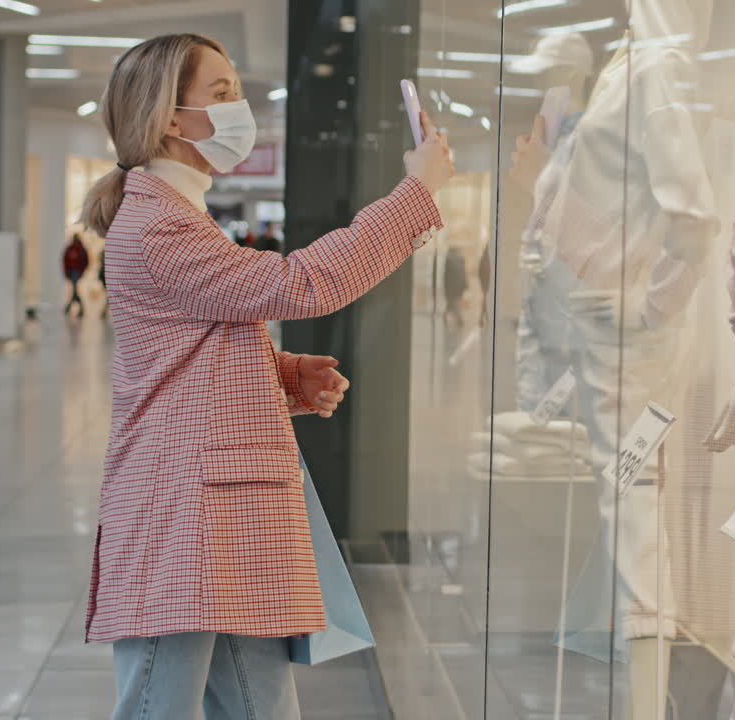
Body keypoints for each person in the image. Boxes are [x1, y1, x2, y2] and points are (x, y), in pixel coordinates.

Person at [78, 33, 453, 720]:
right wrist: (415, 193)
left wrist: (280, 376)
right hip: (182, 513)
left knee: (260, 703)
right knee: (162, 704)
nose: (238, 107)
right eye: (219, 95)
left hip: (217, 507)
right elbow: (301, 283)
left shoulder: (179, 213)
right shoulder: (160, 225)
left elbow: (186, 351)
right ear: (168, 118)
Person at [62, 233, 90, 316]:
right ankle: (78, 307)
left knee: (74, 289)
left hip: (77, 272)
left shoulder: (81, 249)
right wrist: (66, 271)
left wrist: (82, 271)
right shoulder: (69, 248)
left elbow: (85, 261)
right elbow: (65, 260)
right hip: (71, 271)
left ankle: (69, 307)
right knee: (75, 290)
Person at [443, 246, 467, 329]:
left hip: (450, 286)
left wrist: (445, 286)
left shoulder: (448, 259)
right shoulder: (461, 259)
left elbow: (445, 275)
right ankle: (458, 321)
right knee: (454, 304)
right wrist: (465, 286)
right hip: (458, 287)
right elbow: (464, 275)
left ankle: (456, 320)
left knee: (451, 304)